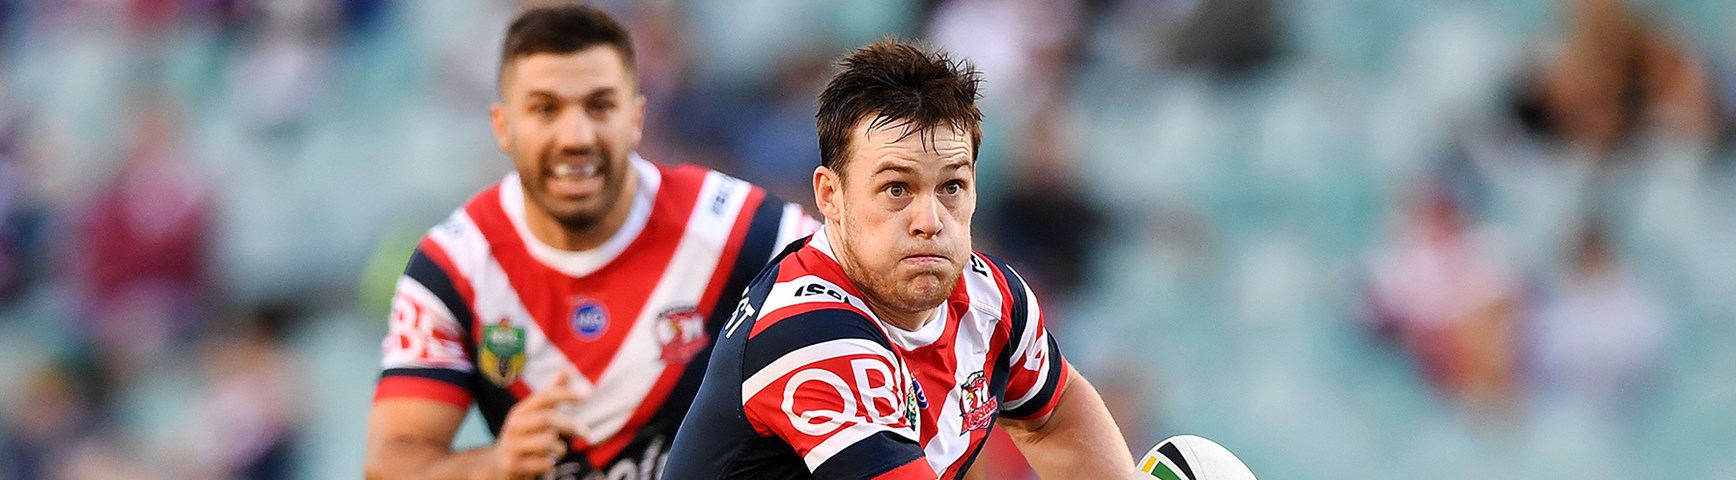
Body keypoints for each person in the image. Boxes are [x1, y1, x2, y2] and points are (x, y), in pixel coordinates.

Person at [364, 4, 818, 480]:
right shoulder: (453, 267)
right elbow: (390, 464)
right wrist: (494, 464)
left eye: (600, 106)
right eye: (545, 109)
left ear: (636, 117)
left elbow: (861, 322)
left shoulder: (740, 228)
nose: (576, 137)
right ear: (502, 126)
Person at [664, 38, 1132, 479]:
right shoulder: (806, 334)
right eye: (896, 188)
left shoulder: (992, 299)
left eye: (951, 186)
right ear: (830, 195)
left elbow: (1053, 416)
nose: (929, 220)